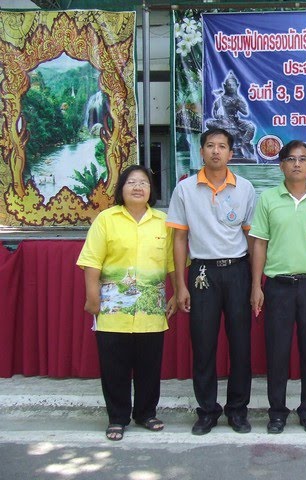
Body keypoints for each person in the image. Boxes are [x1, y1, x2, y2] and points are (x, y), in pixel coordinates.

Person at [77, 165, 177, 441]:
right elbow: (91, 261)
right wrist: (92, 297)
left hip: (151, 310)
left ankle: (146, 413)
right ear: (121, 188)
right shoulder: (106, 220)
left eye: (143, 182)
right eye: (131, 182)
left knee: (149, 367)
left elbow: (173, 262)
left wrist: (178, 292)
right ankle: (117, 417)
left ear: (151, 190)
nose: (137, 187)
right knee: (114, 368)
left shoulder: (163, 222)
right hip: (113, 309)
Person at [166, 128, 256, 435]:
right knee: (203, 344)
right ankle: (206, 410)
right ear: (201, 151)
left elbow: (252, 238)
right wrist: (180, 285)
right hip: (202, 272)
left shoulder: (245, 188)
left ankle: (238, 410)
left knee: (240, 344)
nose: (216, 151)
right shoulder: (185, 189)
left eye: (222, 146)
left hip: (238, 270)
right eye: (210, 145)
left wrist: (255, 283)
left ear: (231, 153)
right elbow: (179, 238)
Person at [250, 140, 306, 434]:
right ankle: (277, 412)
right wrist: (256, 285)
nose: (297, 164)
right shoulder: (268, 199)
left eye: (303, 159)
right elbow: (259, 244)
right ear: (281, 165)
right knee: (277, 352)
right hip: (278, 287)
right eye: (291, 159)